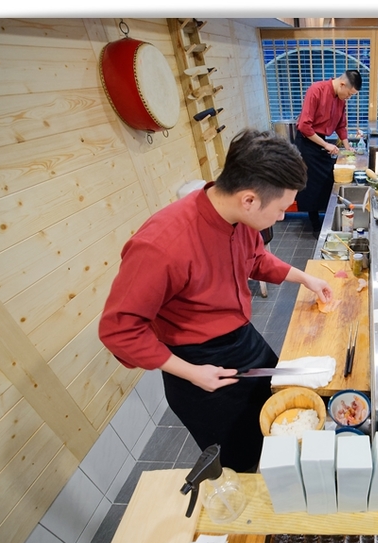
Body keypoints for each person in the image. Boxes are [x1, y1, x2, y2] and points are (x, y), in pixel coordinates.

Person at [98, 129, 333, 473]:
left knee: (281, 405)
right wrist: (192, 372)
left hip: (242, 339)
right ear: (249, 199)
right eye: (281, 209)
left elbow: (254, 259)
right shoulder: (161, 245)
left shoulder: (239, 215)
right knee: (244, 457)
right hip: (198, 364)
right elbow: (119, 330)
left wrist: (305, 278)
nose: (282, 217)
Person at [294, 70, 362, 232]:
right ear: (342, 84)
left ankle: (327, 216)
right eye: (349, 94)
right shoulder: (316, 90)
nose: (349, 97)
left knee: (328, 179)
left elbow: (341, 125)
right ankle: (315, 223)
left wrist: (347, 147)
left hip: (322, 141)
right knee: (311, 184)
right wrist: (326, 145)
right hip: (307, 142)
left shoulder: (340, 100)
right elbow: (304, 126)